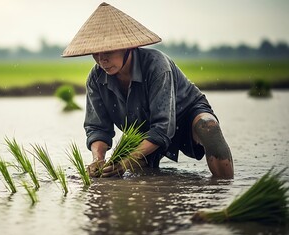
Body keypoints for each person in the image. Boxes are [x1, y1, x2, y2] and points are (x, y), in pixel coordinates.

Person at [61, 2, 234, 178]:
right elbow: (98, 128)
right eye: (96, 53)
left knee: (209, 128)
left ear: (127, 47)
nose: (102, 59)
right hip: (143, 129)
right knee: (142, 179)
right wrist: (98, 159)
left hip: (184, 114)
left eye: (108, 51)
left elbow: (163, 127)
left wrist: (125, 162)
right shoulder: (95, 78)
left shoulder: (157, 66)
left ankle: (224, 193)